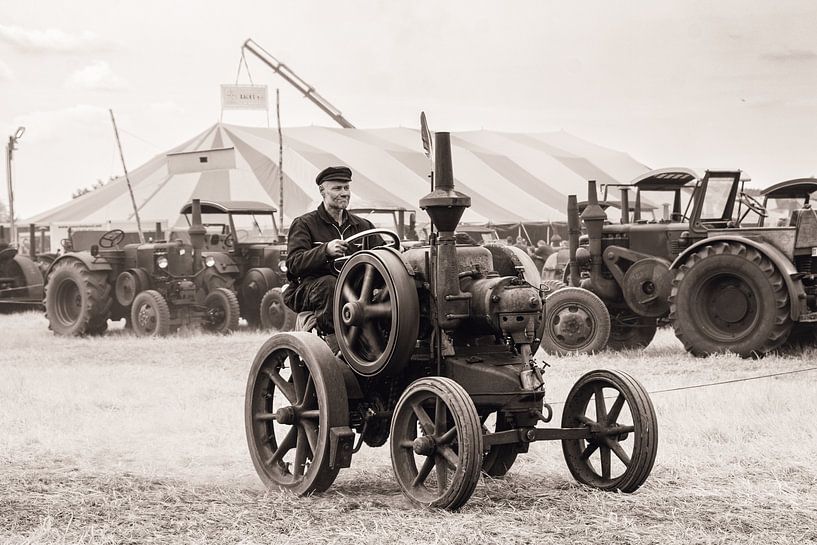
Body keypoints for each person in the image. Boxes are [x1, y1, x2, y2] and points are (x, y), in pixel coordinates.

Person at [283, 166, 375, 333]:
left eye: (347, 187)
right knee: (330, 285)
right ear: (322, 191)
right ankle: (334, 344)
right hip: (309, 288)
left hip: (353, 288)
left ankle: (379, 341)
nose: (344, 193)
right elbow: (294, 263)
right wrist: (325, 251)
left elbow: (381, 255)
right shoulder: (304, 224)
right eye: (337, 188)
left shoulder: (363, 226)